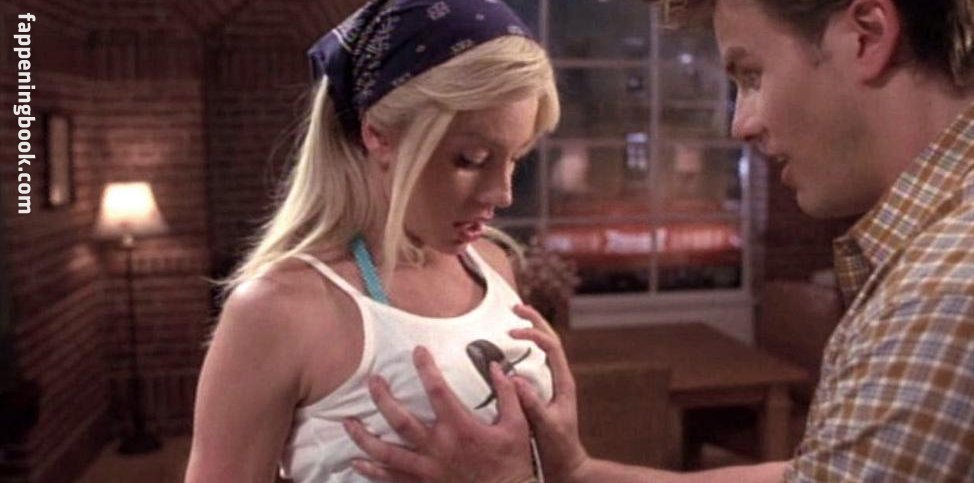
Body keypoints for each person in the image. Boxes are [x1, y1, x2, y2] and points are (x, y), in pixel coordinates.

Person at [343, 0, 974, 481]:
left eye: (751, 74)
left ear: (866, 35)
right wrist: (577, 473)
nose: (740, 124)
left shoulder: (939, 293)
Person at [183, 1, 561, 481]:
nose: (502, 194)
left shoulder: (491, 264)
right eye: (471, 158)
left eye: (515, 158)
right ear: (379, 135)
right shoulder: (279, 310)